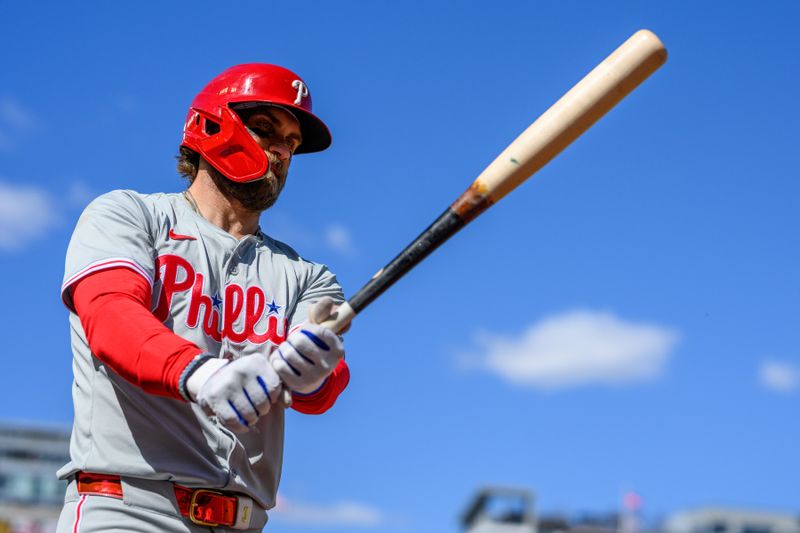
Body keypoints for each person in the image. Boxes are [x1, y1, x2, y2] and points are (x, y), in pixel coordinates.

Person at [56, 63, 350, 532]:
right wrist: (198, 373)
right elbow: (109, 317)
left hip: (245, 521)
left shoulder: (307, 276)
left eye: (291, 143)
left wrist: (315, 373)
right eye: (264, 130)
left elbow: (322, 385)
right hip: (131, 509)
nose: (280, 150)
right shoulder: (130, 215)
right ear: (211, 125)